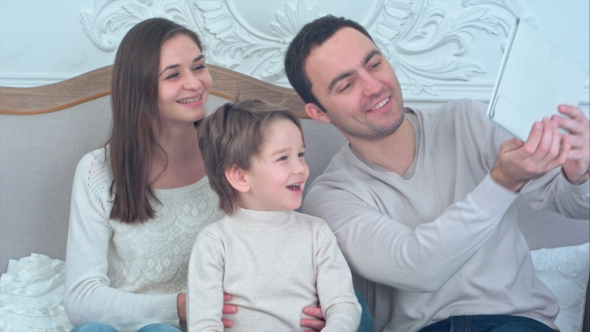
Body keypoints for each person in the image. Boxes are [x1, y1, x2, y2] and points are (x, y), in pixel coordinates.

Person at [284, 15, 590, 332]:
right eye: (347, 85)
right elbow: (419, 267)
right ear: (319, 112)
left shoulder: (468, 119)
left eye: (374, 64)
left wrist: (579, 175)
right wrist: (502, 183)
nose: (374, 87)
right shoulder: (330, 198)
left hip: (519, 322)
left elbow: (575, 206)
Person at [64, 18, 325, 332]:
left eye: (199, 67)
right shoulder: (98, 171)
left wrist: (314, 297)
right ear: (139, 87)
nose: (195, 83)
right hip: (127, 324)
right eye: (173, 74)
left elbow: (283, 238)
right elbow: (81, 299)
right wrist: (182, 305)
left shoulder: (235, 156)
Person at [188, 99, 362, 331]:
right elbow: (204, 325)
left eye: (300, 154)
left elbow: (343, 305)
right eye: (283, 158)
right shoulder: (215, 242)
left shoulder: (316, 233)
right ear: (240, 177)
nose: (301, 167)